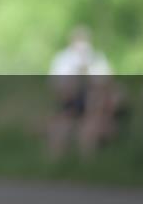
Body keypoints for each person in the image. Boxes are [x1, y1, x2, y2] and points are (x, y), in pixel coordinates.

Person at [47, 26, 117, 159]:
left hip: (95, 107)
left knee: (89, 129)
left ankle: (87, 165)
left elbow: (106, 83)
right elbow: (57, 87)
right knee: (60, 130)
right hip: (68, 104)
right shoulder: (62, 60)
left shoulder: (96, 58)